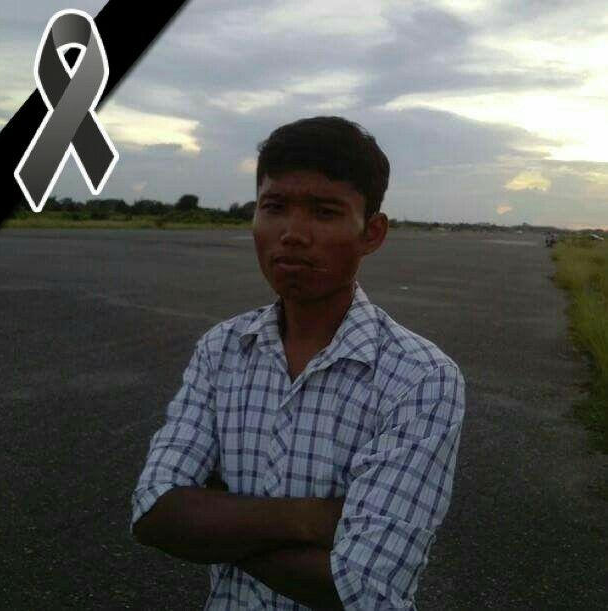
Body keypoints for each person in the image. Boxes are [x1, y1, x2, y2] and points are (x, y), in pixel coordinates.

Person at [130, 115, 466, 610]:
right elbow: (154, 512)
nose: (291, 233)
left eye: (324, 212)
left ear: (372, 233)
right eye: (274, 207)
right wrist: (312, 519)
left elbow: (363, 587)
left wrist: (217, 518)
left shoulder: (421, 378)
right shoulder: (222, 349)